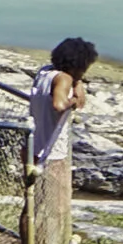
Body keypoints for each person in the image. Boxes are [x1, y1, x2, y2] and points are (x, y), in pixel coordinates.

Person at [28, 36, 99, 168]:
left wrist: (77, 81)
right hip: (51, 152)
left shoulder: (45, 71)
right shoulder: (63, 79)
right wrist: (72, 101)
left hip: (32, 146)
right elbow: (59, 105)